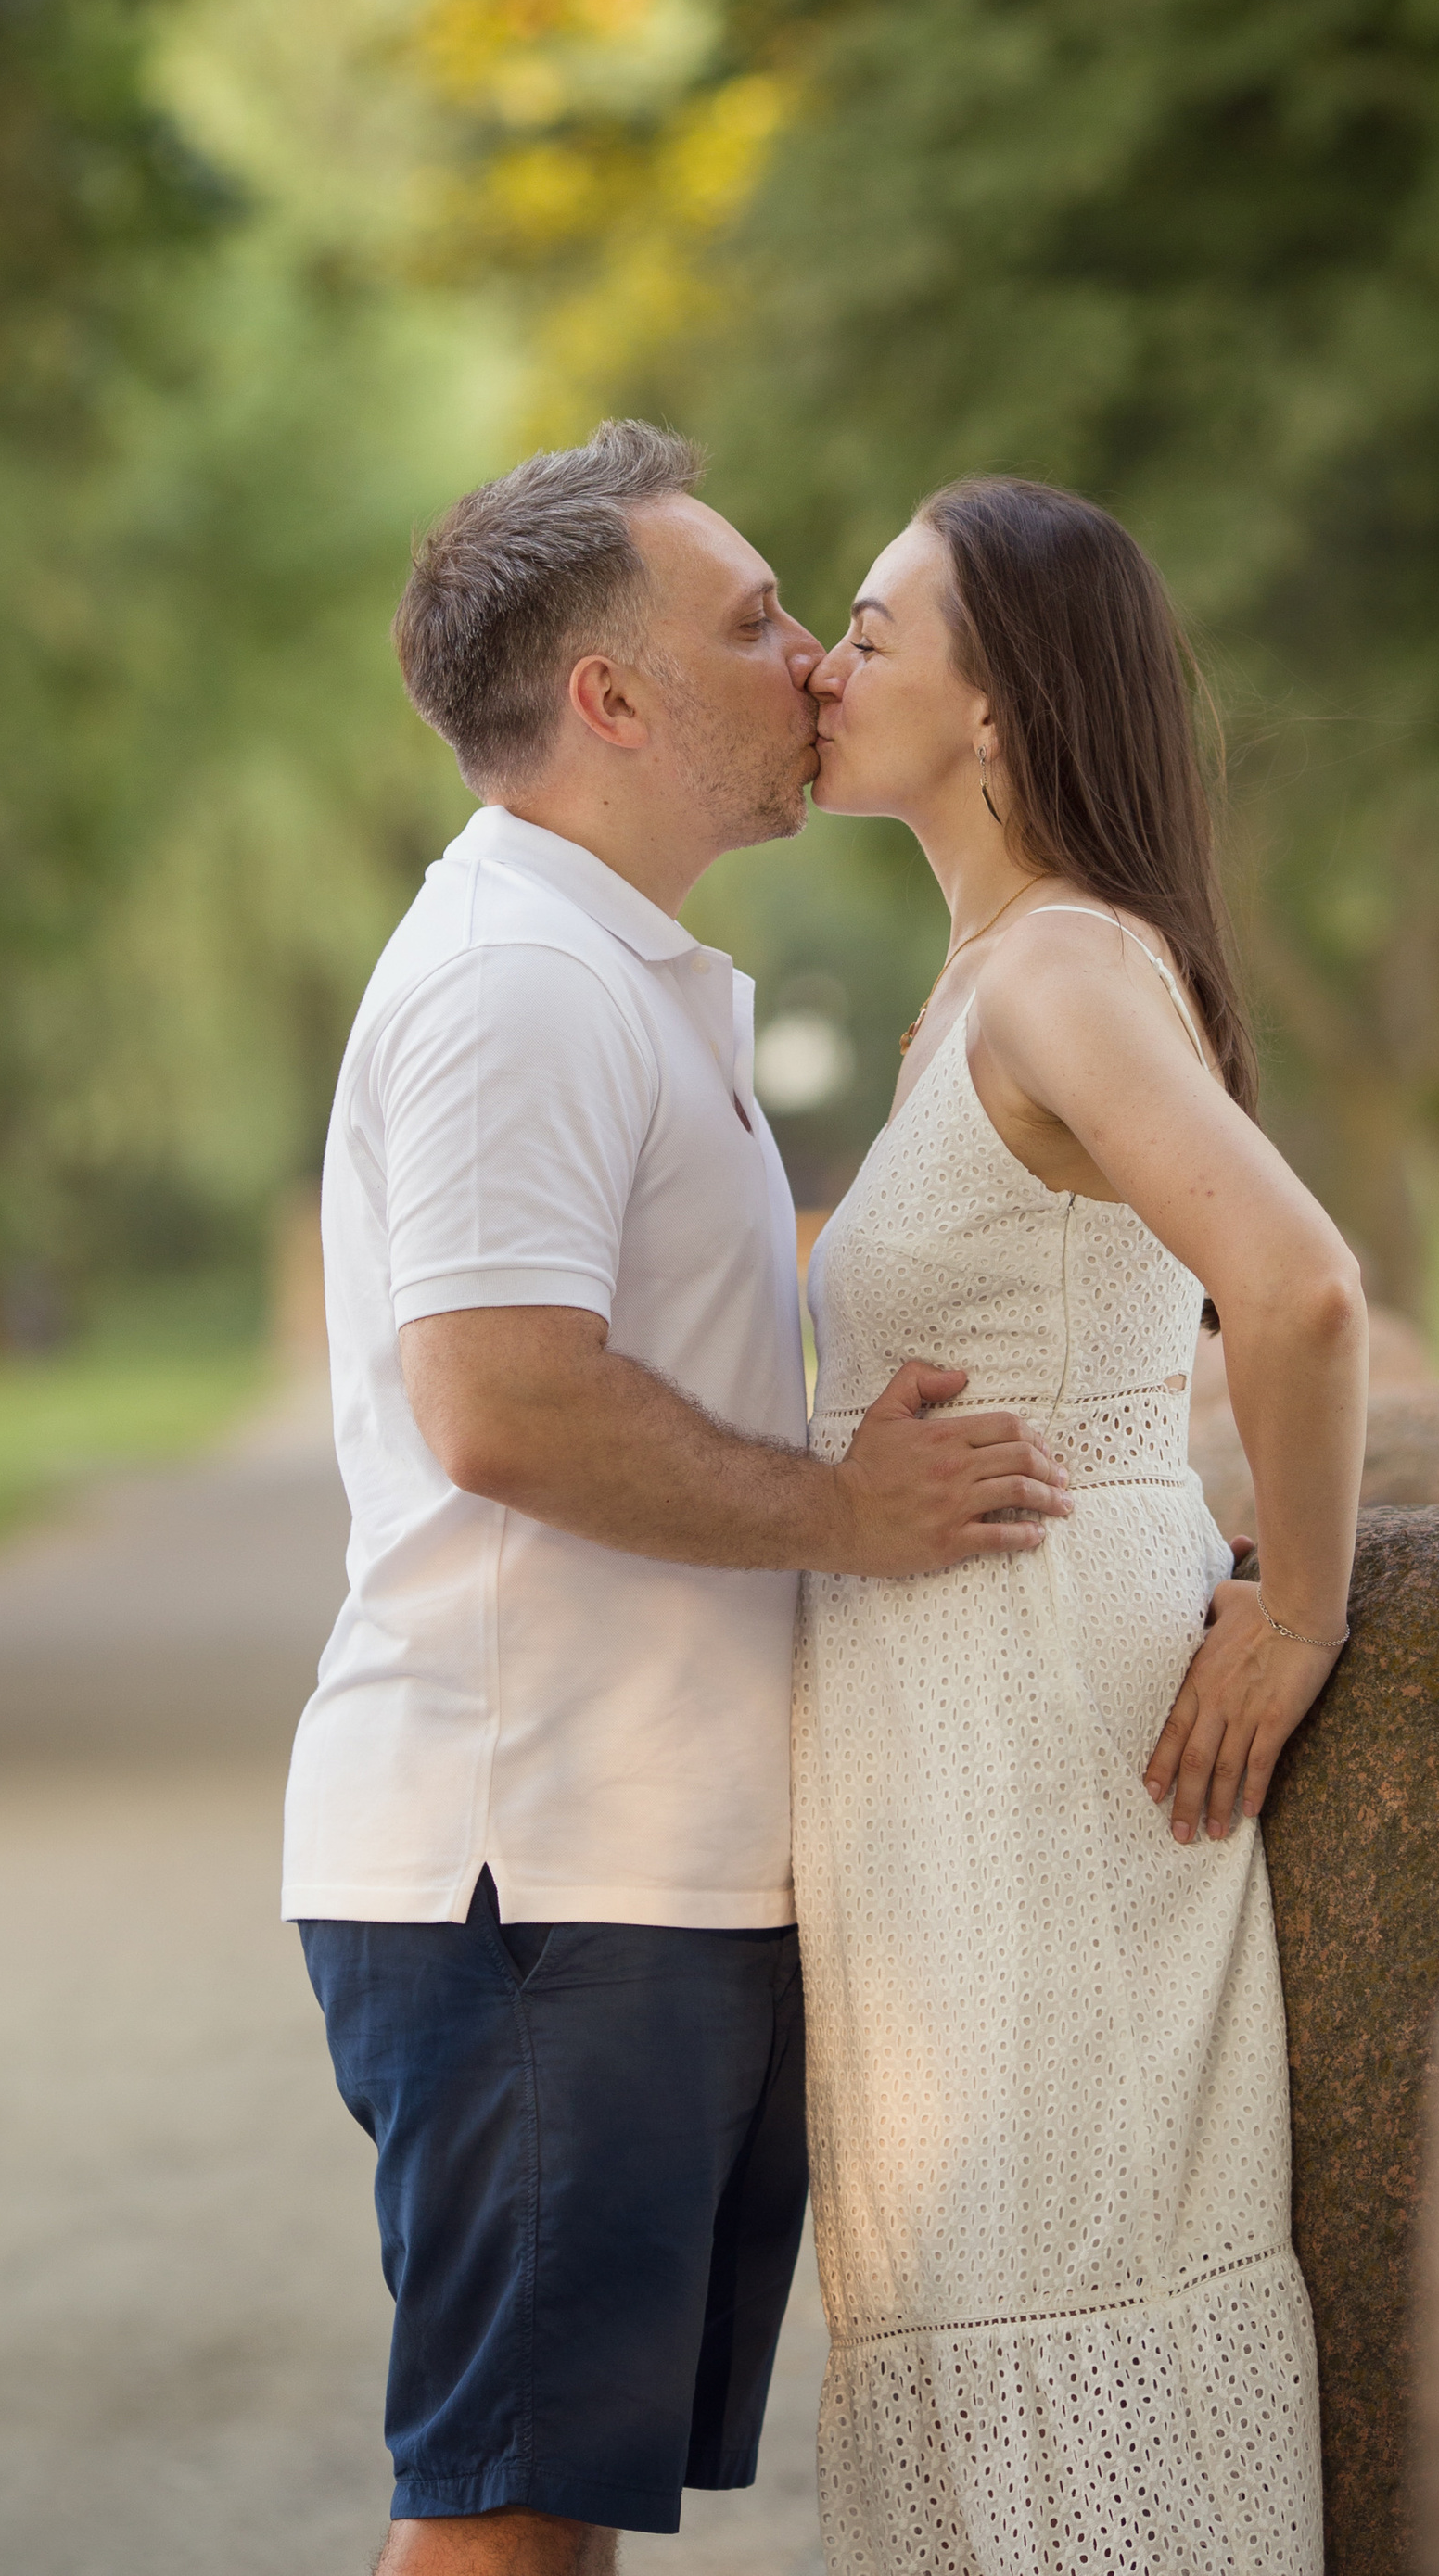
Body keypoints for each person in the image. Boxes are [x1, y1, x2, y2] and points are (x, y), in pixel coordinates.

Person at [283, 421, 1075, 2576]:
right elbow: (506, 1409)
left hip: (634, 1875)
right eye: (749, 621)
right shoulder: (521, 984)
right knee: (509, 2518)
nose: (807, 652)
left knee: (561, 2510)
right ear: (610, 697)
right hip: (534, 1873)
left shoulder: (612, 974)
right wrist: (854, 1512)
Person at [796, 475, 1368, 2576]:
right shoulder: (992, 981)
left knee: (1060, 2290)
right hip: (948, 1751)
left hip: (1044, 1732)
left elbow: (1294, 1287)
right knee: (973, 2308)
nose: (822, 664)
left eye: (869, 626)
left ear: (1000, 715)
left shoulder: (1054, 976)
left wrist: (1291, 1609)